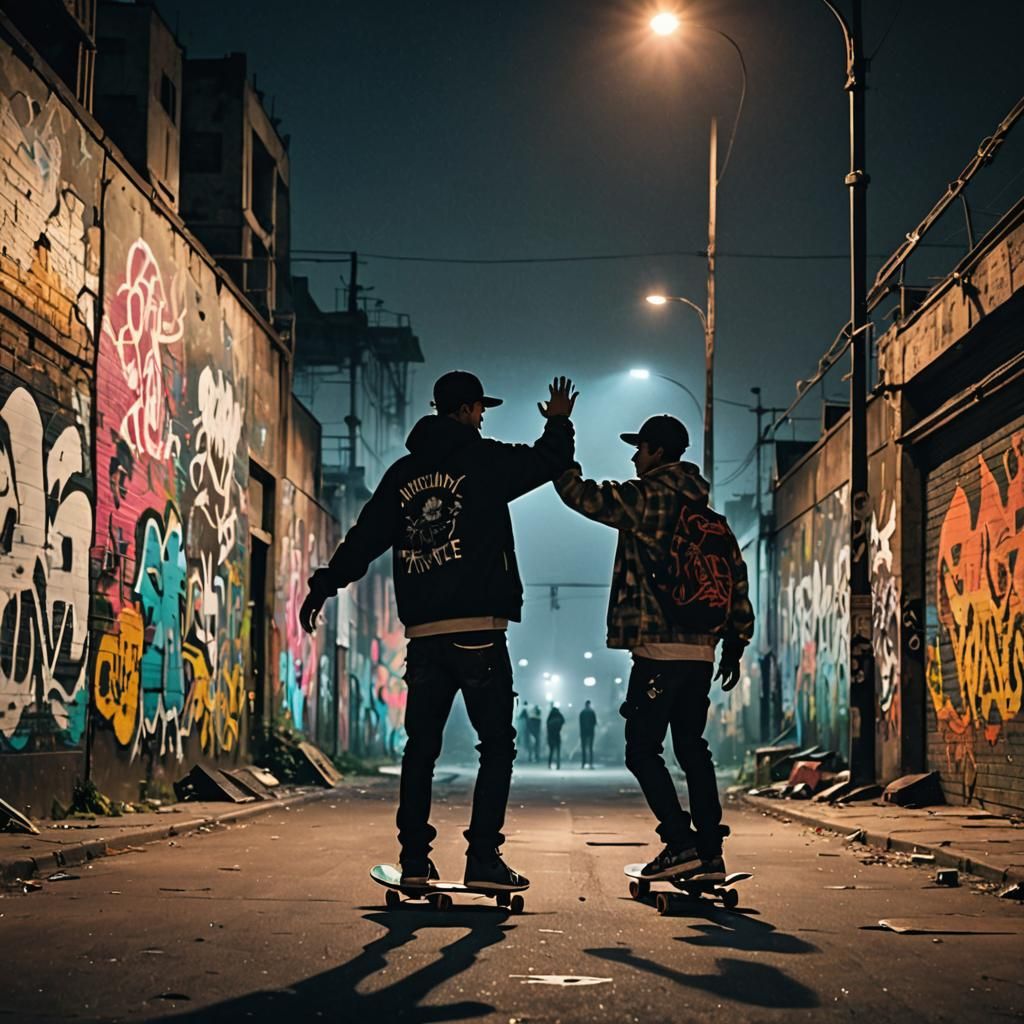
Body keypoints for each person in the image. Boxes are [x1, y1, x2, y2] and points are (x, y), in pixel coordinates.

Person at [300, 371, 578, 889]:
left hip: (424, 636)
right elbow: (548, 461)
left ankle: (412, 861)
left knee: (421, 749)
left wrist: (325, 584)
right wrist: (560, 422)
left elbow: (365, 538)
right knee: (496, 745)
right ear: (469, 409)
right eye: (479, 409)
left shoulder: (402, 474)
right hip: (478, 630)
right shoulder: (486, 460)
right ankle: (483, 860)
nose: (481, 417)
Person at [555, 414, 753, 882]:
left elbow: (583, 497)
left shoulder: (648, 498)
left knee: (642, 749)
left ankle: (678, 842)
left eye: (640, 448)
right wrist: (734, 644)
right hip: (702, 653)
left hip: (658, 652)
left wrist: (558, 454)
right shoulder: (713, 519)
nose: (633, 456)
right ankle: (709, 850)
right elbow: (737, 586)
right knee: (692, 748)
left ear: (658, 452)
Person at [579, 699, 597, 768]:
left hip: (583, 733)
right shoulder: (592, 712)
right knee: (590, 748)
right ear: (589, 704)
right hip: (590, 732)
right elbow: (594, 722)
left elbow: (580, 724)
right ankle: (591, 764)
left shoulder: (582, 712)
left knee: (583, 748)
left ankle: (583, 764)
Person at [546, 703, 565, 769]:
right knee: (558, 751)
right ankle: (558, 765)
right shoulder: (558, 717)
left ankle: (549, 764)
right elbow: (563, 720)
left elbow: (547, 726)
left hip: (550, 736)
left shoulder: (550, 718)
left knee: (551, 751)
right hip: (557, 735)